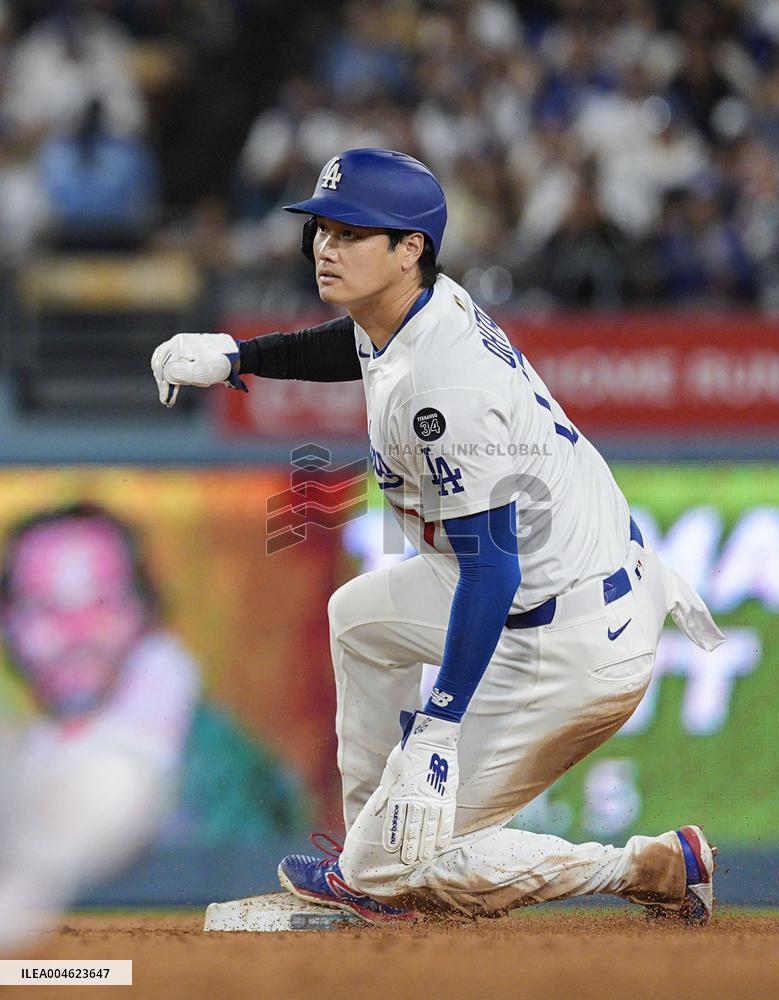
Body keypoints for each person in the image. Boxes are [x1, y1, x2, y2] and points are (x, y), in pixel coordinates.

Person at [151, 148, 725, 924]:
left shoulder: (443, 386)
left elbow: (491, 571)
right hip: (551, 585)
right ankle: (370, 863)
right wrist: (237, 357)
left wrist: (440, 726)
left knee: (413, 859)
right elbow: (343, 346)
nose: (326, 246)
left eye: (352, 232)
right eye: (322, 228)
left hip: (572, 636)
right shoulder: (407, 309)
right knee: (359, 620)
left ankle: (650, 866)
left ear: (409, 248)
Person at [0, 503, 303, 949]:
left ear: (146, 611)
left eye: (102, 601)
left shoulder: (222, 767)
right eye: (44, 606)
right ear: (8, 622)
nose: (77, 631)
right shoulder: (25, 744)